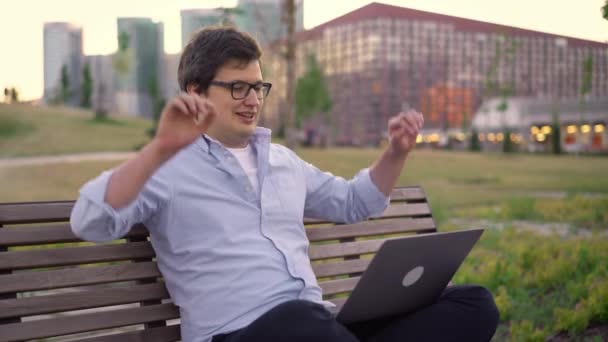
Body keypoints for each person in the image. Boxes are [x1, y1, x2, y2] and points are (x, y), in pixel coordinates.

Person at [70, 26, 498, 342]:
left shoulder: (282, 162)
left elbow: (354, 202)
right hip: (238, 334)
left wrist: (396, 152)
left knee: (473, 303)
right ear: (195, 91)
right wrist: (160, 146)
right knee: (300, 320)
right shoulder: (166, 168)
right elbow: (90, 221)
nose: (253, 99)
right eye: (238, 87)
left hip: (318, 330)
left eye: (258, 87)